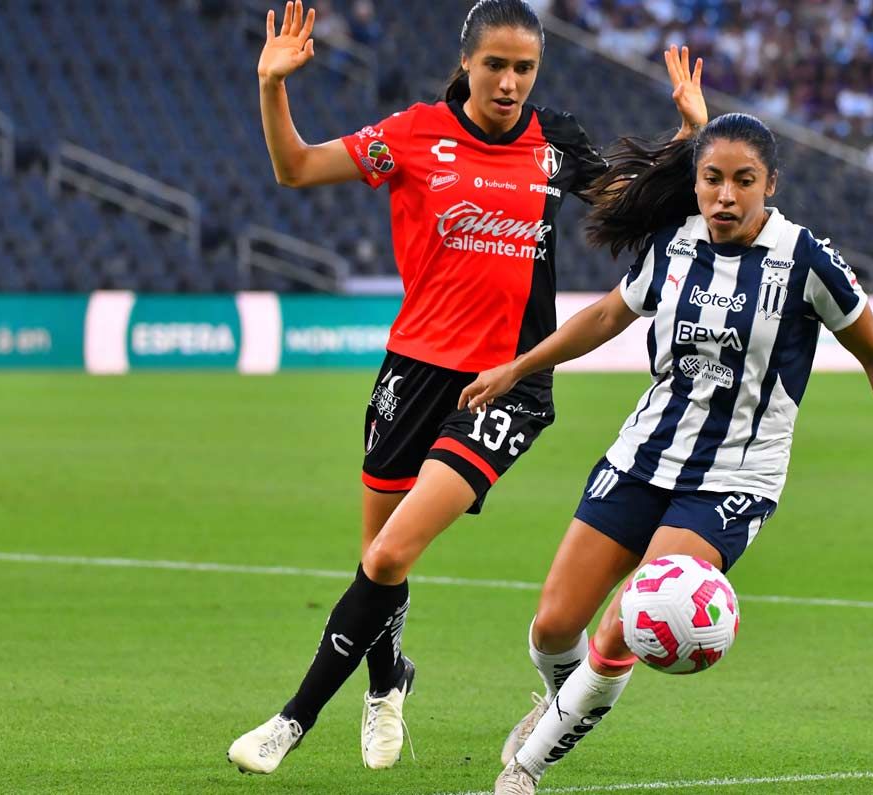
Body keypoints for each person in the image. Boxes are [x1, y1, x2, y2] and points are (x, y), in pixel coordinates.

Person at [227, 0, 710, 775]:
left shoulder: (556, 141)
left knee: (389, 556)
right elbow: (296, 168)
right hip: (412, 373)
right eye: (497, 66)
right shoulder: (413, 134)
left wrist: (689, 140)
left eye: (525, 68)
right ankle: (388, 683)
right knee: (377, 562)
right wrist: (272, 86)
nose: (512, 82)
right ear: (466, 64)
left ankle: (290, 719)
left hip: (506, 383)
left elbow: (632, 205)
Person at [456, 112, 873, 794]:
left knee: (633, 616)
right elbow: (604, 316)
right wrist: (518, 367)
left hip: (734, 478)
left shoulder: (806, 260)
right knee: (553, 626)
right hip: (642, 454)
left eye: (744, 181)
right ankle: (564, 705)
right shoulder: (673, 245)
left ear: (770, 184)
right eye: (712, 178)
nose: (725, 195)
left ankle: (526, 766)